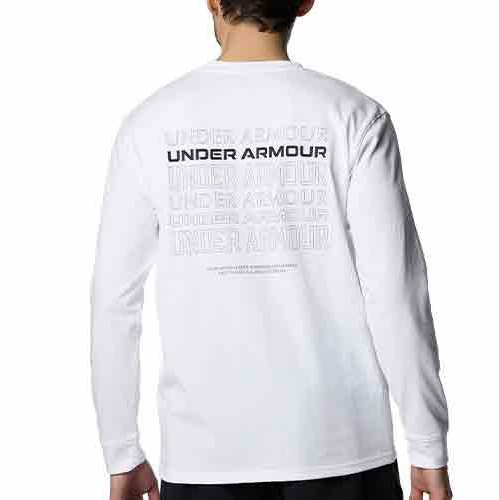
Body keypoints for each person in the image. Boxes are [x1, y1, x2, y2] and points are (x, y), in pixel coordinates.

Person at [90, 1, 453, 499]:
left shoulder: (149, 125)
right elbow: (396, 293)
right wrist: (427, 444)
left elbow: (114, 301)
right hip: (341, 445)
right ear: (305, 2)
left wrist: (122, 451)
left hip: (205, 457)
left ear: (213, 0)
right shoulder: (354, 116)